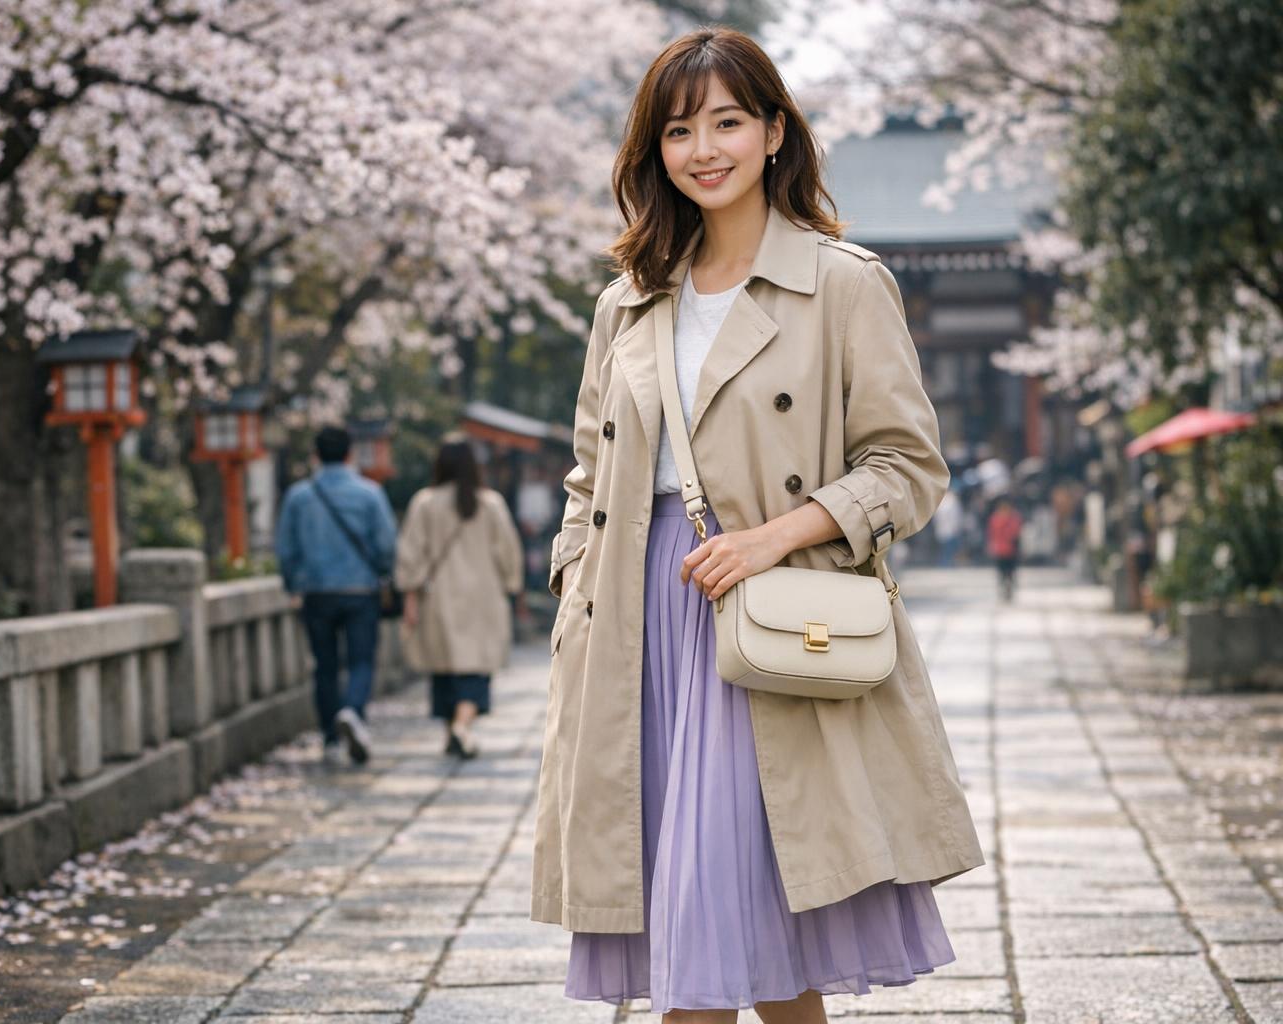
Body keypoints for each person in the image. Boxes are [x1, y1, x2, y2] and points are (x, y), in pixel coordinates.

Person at [532, 28, 985, 1023]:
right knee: (709, 933)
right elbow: (588, 475)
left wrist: (772, 538)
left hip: (772, 622)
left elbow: (909, 468)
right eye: (679, 129)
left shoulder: (842, 283)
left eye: (728, 122)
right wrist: (577, 587)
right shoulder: (628, 305)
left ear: (775, 131)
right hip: (638, 635)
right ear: (654, 152)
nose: (705, 148)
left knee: (756, 934)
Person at [394, 434, 525, 759]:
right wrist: (512, 586)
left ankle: (453, 729)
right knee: (474, 669)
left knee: (444, 669)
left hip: (439, 600)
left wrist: (410, 599)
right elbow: (509, 553)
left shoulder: (424, 503)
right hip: (484, 598)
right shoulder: (490, 503)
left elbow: (411, 556)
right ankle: (463, 726)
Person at [275, 425, 397, 767]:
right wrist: (382, 572)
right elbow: (387, 544)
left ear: (315, 455)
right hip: (361, 590)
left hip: (316, 592)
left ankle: (330, 736)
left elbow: (286, 550)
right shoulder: (370, 493)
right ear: (349, 454)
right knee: (361, 660)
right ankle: (353, 711)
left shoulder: (299, 496)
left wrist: (292, 585)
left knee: (324, 665)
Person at [986, 496, 1024, 602]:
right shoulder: (1010, 518)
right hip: (1004, 550)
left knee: (1008, 572)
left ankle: (1007, 588)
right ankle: (1005, 588)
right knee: (1005, 572)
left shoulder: (998, 518)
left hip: (1008, 550)